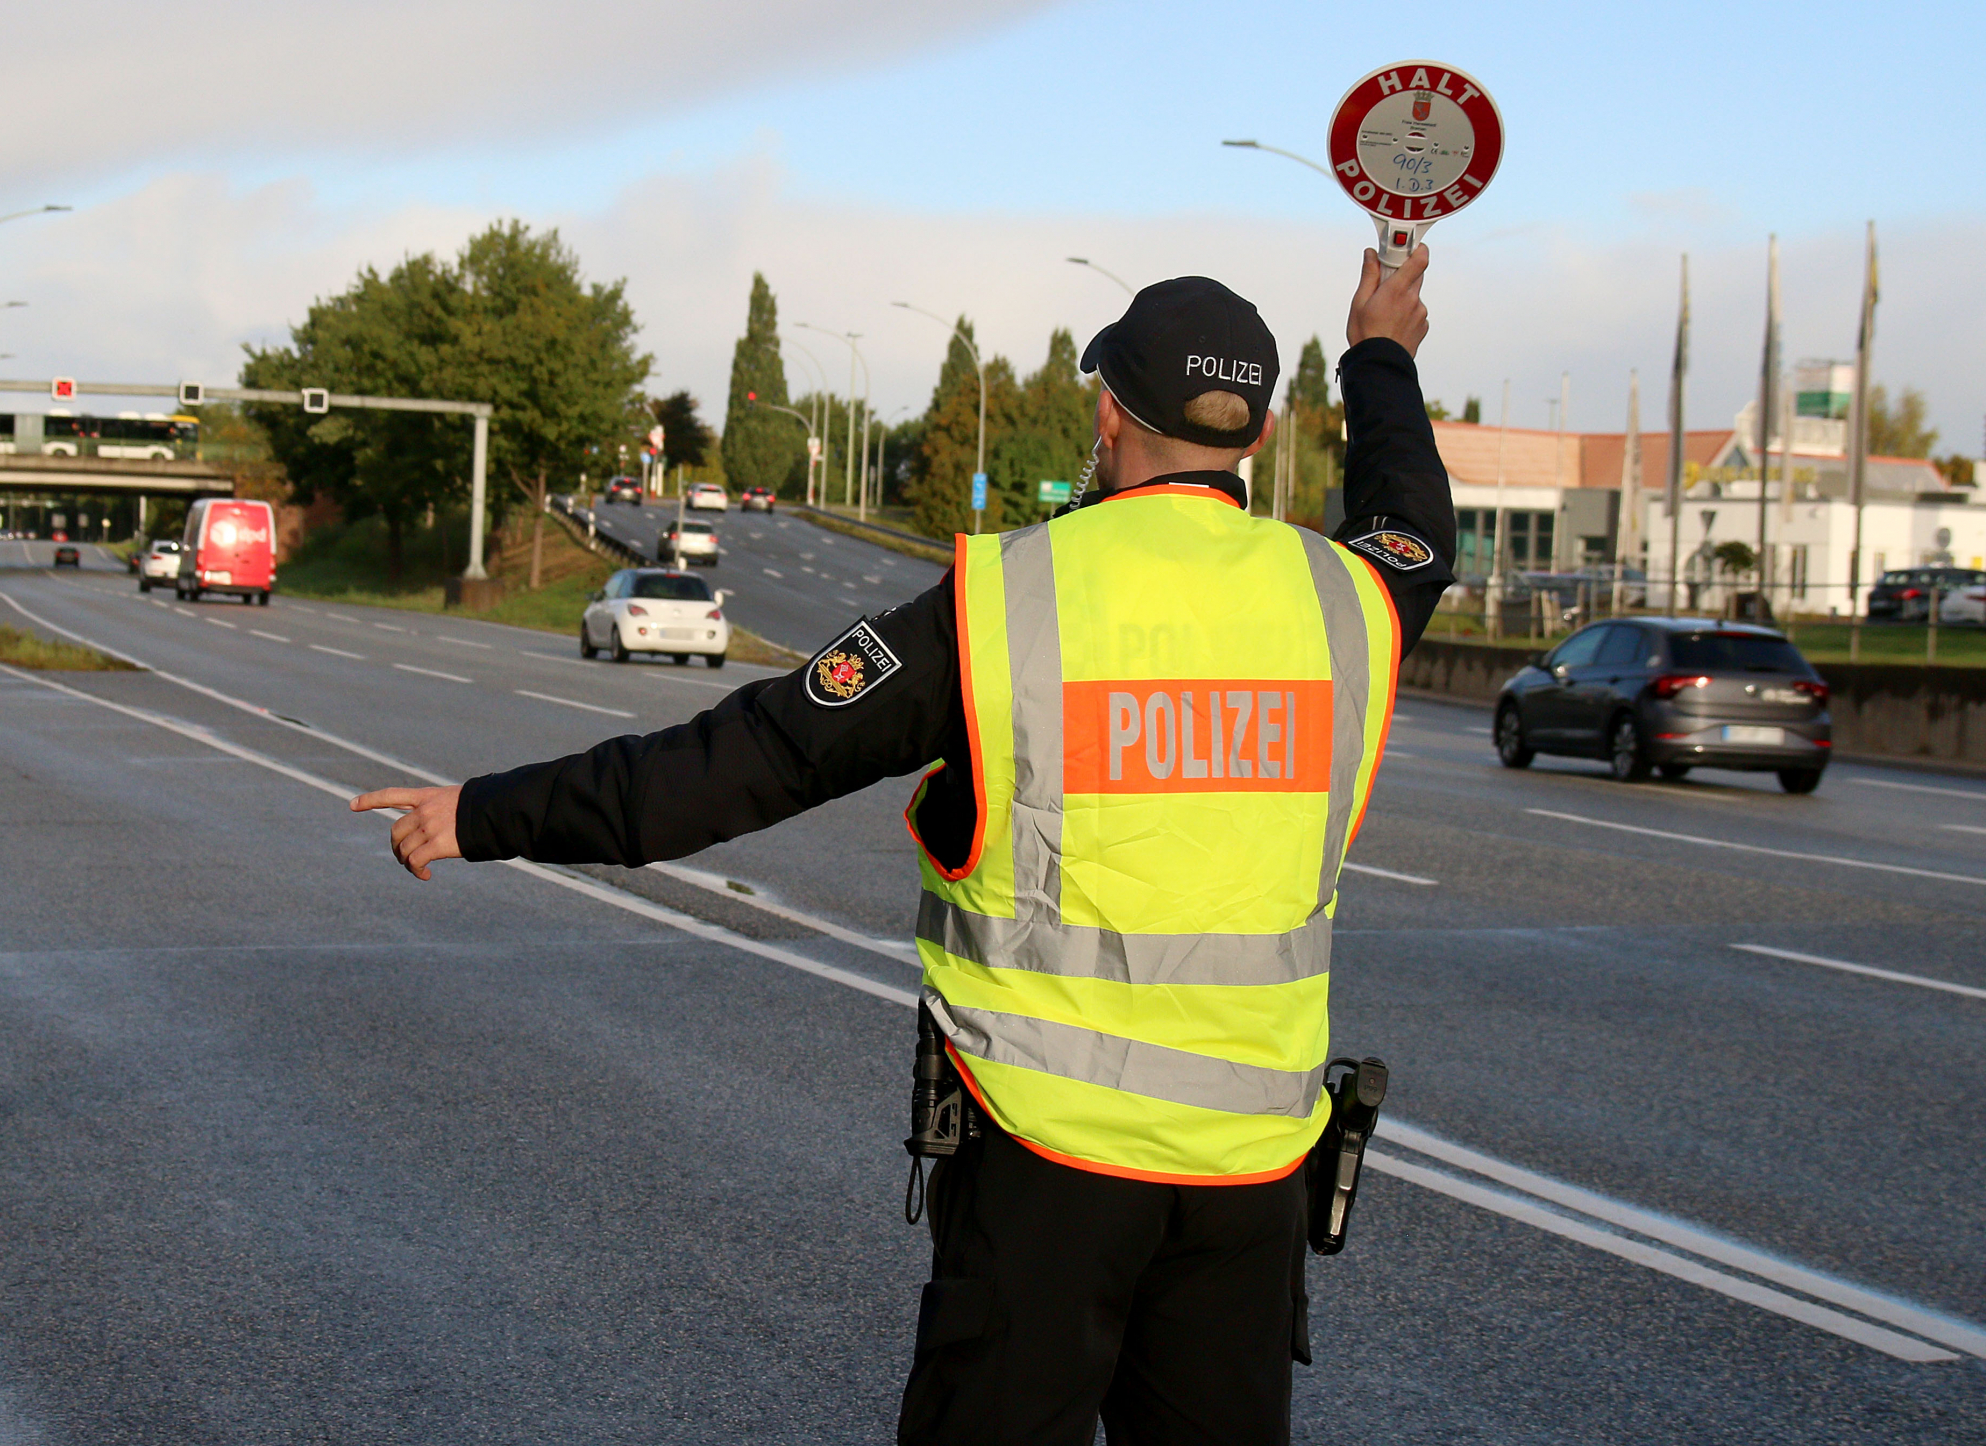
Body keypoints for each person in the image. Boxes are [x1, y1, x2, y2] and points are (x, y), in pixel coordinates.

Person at [355, 248, 1455, 1445]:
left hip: (1046, 1161)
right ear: (1257, 428)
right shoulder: (1347, 600)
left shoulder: (1006, 601)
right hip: (1253, 1177)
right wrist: (1381, 355)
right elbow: (1413, 523)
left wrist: (486, 812)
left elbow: (743, 763)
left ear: (1107, 411)